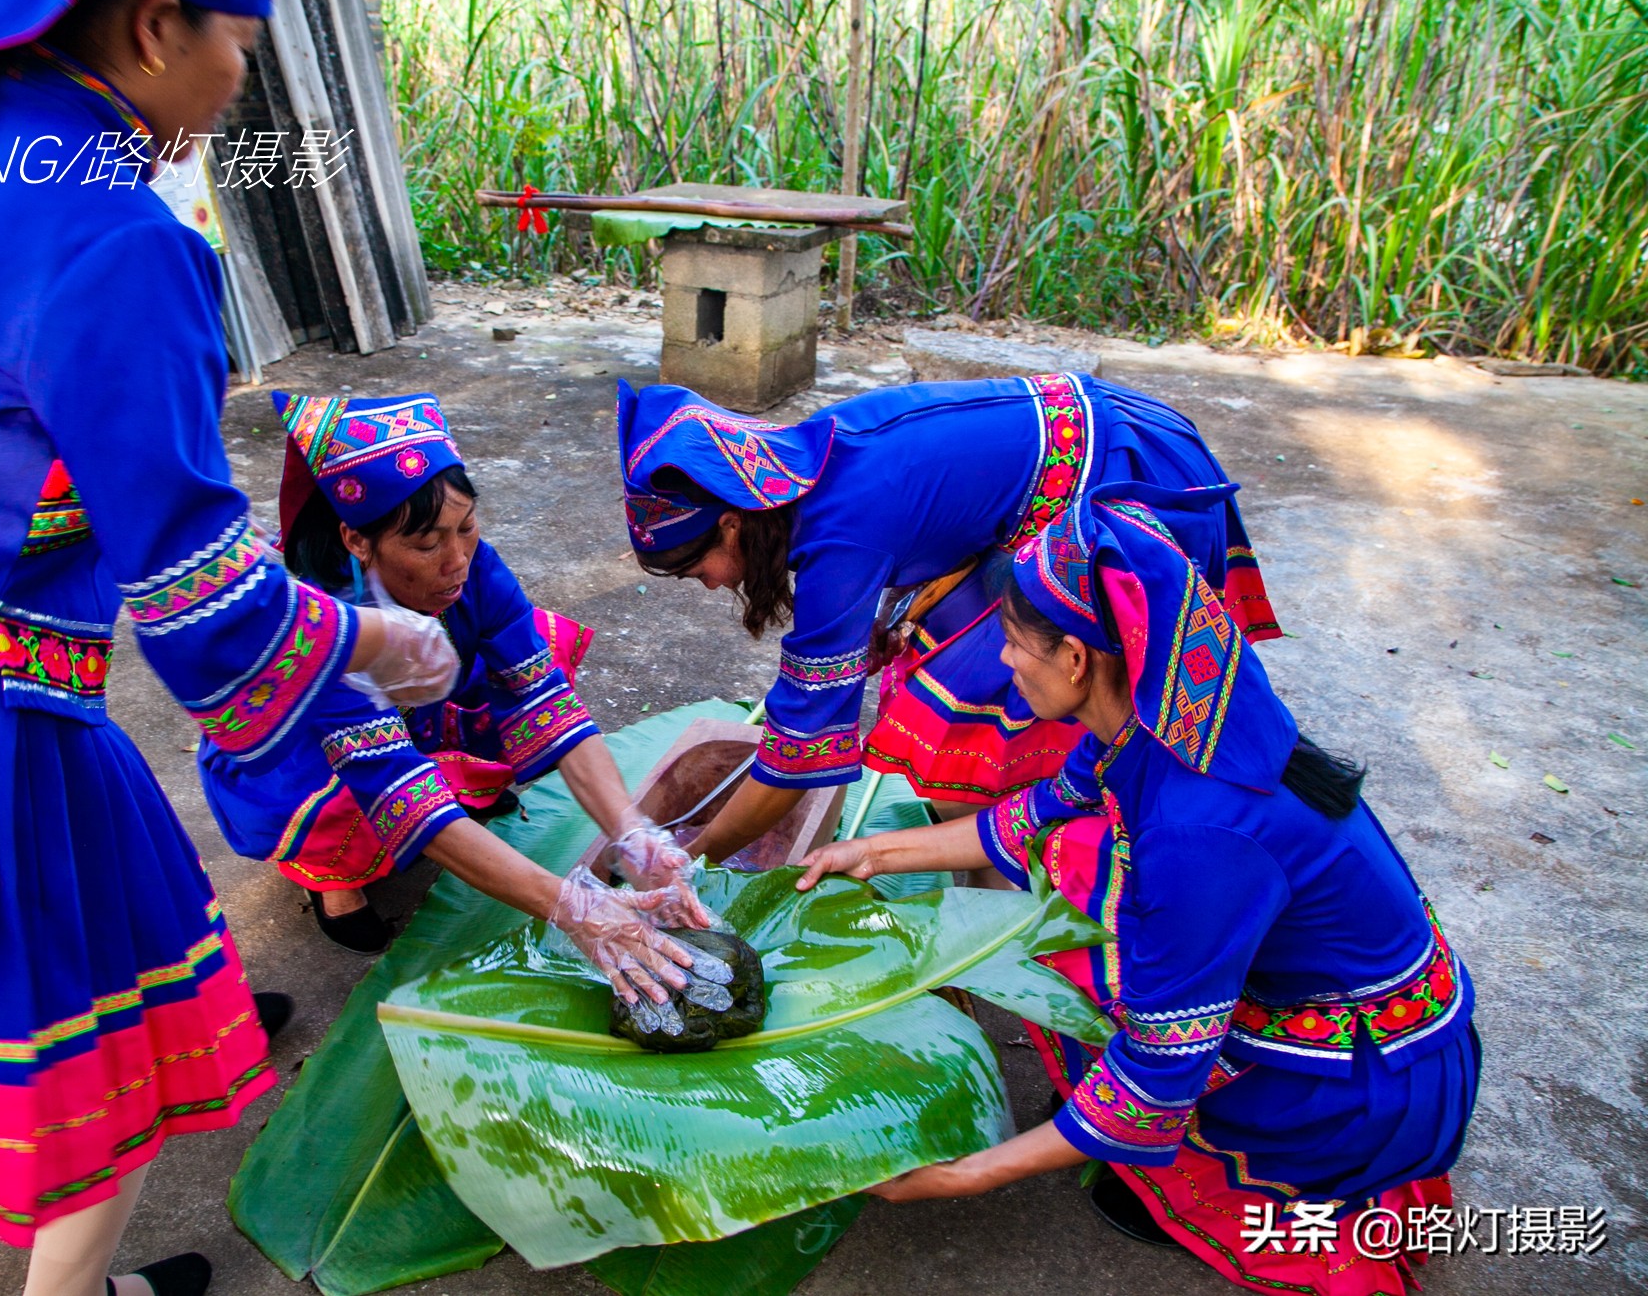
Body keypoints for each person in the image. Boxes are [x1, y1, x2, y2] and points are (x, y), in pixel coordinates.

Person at [0, 0, 701, 1293]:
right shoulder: (117, 236)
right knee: (97, 1068)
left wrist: (624, 827)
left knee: (102, 960)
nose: (242, 78)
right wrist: (377, 648)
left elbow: (526, 672)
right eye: (241, 41)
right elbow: (201, 604)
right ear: (153, 24)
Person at [795, 482, 1479, 1294]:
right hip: (1369, 1002)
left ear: (1076, 658)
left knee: (1117, 1013)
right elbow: (1030, 818)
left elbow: (1153, 1080)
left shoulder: (1201, 835)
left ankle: (1266, 1168)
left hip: (1369, 1086)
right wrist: (871, 852)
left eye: (1015, 644)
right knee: (1071, 869)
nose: (1006, 663)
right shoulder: (1174, 703)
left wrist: (961, 1175)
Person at [618, 374, 1280, 864]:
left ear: (732, 524)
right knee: (951, 678)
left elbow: (798, 755)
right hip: (1072, 455)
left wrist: (693, 857)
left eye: (695, 568)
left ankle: (1093, 853)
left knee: (983, 711)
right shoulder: (812, 460)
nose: (706, 586)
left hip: (1118, 475)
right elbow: (931, 514)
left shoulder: (837, 538)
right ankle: (1012, 838)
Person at [197, 390, 698, 954]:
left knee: (537, 651)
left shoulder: (472, 565)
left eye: (466, 527)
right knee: (340, 793)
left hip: (410, 718)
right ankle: (335, 885)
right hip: (305, 755)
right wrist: (571, 906)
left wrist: (634, 834)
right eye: (426, 543)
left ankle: (459, 785)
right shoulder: (321, 623)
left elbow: (546, 699)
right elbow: (394, 784)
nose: (456, 560)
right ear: (356, 540)